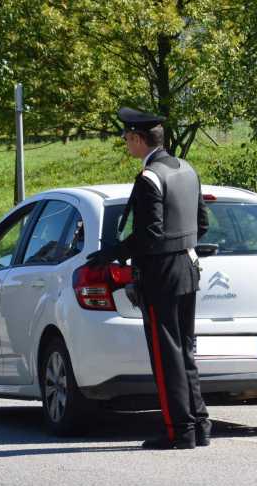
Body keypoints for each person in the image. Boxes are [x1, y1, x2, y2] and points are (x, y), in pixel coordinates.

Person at [88, 107, 212, 449]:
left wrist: (113, 252)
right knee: (184, 349)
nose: (126, 143)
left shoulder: (150, 178)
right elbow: (202, 224)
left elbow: (150, 234)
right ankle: (199, 423)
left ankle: (179, 430)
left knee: (165, 353)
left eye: (128, 138)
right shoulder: (186, 169)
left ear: (138, 139)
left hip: (161, 272)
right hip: (188, 266)